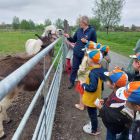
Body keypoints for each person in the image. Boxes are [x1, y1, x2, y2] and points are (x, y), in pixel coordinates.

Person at [95, 68, 133, 140]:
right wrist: (105, 100)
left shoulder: (117, 100)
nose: (106, 81)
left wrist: (101, 109)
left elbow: (111, 117)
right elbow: (111, 97)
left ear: (114, 84)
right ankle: (123, 137)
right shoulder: (120, 92)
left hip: (114, 125)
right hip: (124, 122)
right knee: (125, 132)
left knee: (110, 135)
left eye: (108, 80)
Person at [64, 16, 97, 89]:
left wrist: (87, 42)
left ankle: (83, 84)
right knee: (74, 68)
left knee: (84, 69)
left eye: (80, 22)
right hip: (76, 53)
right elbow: (73, 40)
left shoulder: (92, 31)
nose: (79, 24)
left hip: (86, 54)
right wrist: (68, 36)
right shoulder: (79, 30)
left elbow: (95, 43)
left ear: (85, 22)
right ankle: (72, 82)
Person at [81, 49, 106, 135]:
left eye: (88, 57)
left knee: (92, 114)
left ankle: (94, 130)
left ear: (91, 60)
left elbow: (92, 88)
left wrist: (84, 85)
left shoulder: (93, 73)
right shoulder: (100, 68)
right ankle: (93, 124)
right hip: (96, 96)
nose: (87, 58)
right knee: (93, 113)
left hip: (91, 98)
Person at [75, 41, 97, 110]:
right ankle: (86, 104)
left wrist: (78, 74)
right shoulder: (94, 57)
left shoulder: (86, 58)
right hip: (89, 78)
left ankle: (81, 106)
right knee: (86, 92)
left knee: (81, 93)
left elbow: (82, 69)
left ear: (87, 49)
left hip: (83, 79)